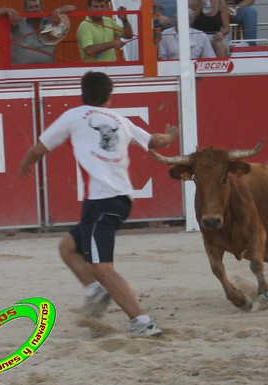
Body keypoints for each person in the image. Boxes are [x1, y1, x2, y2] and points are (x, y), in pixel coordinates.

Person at [19, 71, 179, 336]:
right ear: (109, 94)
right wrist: (171, 137)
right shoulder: (120, 120)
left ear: (83, 92)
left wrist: (25, 164)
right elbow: (154, 141)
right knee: (68, 247)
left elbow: (39, 149)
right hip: (121, 199)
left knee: (101, 267)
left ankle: (141, 321)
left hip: (100, 199)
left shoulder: (74, 116)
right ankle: (96, 292)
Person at [0, 0, 76, 65]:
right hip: (21, 72)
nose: (34, 10)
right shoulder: (17, 22)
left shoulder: (51, 22)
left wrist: (58, 10)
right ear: (25, 10)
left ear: (42, 8)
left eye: (37, 7)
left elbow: (72, 8)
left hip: (47, 70)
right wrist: (9, 10)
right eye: (31, 7)